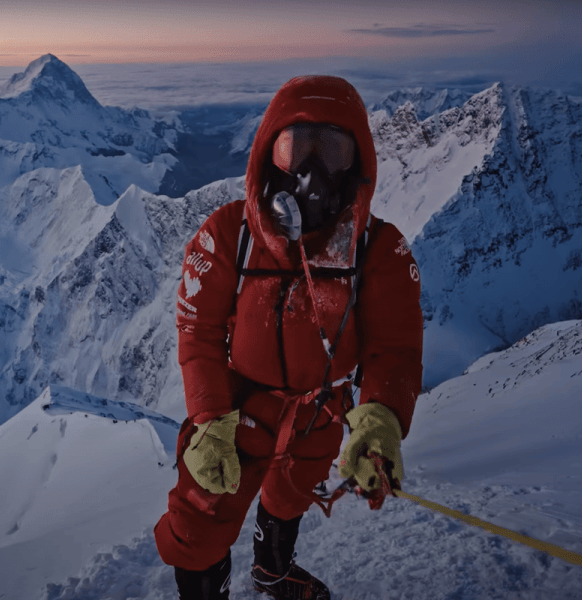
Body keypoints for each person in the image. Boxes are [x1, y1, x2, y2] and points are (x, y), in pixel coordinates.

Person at [153, 74, 424, 600]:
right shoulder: (229, 235)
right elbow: (199, 331)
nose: (312, 172)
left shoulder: (379, 251)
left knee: (291, 495)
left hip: (316, 412)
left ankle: (271, 570)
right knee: (201, 513)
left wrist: (380, 419)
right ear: (267, 155)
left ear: (358, 165)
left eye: (333, 151)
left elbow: (394, 349)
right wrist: (210, 416)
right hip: (237, 410)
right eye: (296, 147)